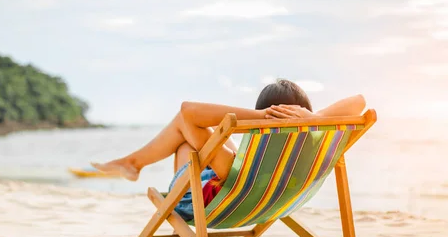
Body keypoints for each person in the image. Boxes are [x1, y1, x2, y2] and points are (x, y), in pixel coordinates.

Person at [92, 79, 366, 224]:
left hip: (196, 202)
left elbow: (187, 111)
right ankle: (132, 163)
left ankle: (133, 163)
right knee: (189, 138)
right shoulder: (310, 149)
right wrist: (313, 117)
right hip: (271, 198)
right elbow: (360, 102)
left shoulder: (242, 168)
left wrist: (258, 117)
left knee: (184, 130)